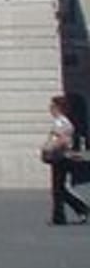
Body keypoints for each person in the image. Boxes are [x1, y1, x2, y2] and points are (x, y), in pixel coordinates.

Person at [43, 95, 88, 226]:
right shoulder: (63, 121)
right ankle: (63, 215)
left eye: (52, 106)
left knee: (59, 189)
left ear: (58, 108)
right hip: (59, 157)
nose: (50, 109)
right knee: (59, 189)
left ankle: (67, 214)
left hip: (60, 158)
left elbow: (63, 139)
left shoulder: (61, 122)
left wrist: (49, 148)